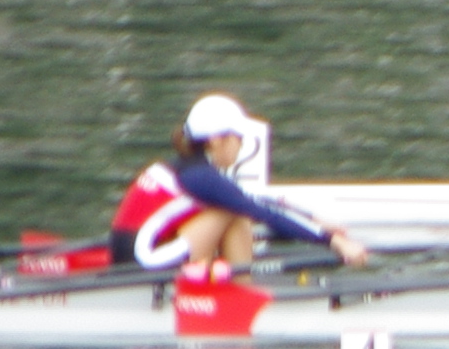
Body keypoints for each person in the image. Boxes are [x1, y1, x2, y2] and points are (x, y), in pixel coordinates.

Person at [110, 94, 371, 273]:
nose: (242, 145)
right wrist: (334, 242)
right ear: (216, 140)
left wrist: (313, 218)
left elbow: (253, 200)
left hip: (137, 253)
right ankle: (238, 292)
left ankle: (239, 288)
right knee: (234, 211)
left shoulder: (194, 168)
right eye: (238, 138)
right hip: (139, 265)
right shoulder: (199, 176)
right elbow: (259, 210)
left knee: (237, 209)